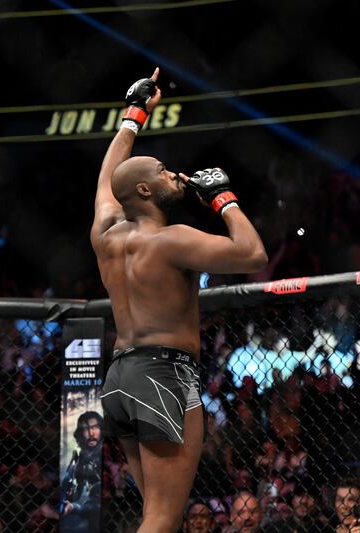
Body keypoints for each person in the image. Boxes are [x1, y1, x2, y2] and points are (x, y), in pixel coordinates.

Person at [92, 67, 268, 533]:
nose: (176, 175)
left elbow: (108, 181)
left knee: (154, 513)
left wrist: (133, 116)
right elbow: (252, 253)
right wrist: (224, 198)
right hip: (165, 373)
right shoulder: (171, 240)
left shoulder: (107, 236)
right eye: (164, 172)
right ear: (145, 191)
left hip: (121, 377)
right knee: (163, 521)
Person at [62, 411, 104, 530]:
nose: (91, 433)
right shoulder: (81, 457)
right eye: (86, 429)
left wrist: (76, 507)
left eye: (94, 427)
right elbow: (74, 490)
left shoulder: (106, 454)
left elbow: (98, 501)